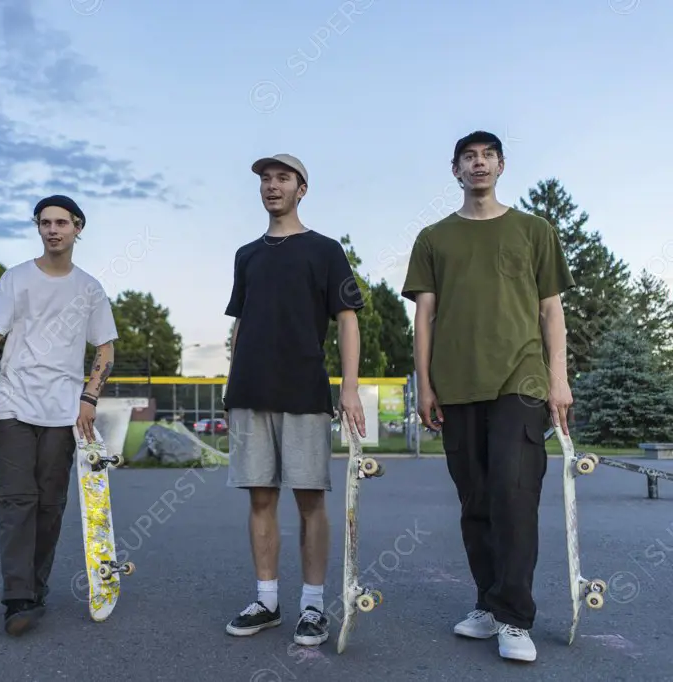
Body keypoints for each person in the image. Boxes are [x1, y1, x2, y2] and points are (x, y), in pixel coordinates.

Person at [401, 131, 575, 663]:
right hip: (456, 383)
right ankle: (488, 602)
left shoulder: (534, 230)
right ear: (455, 170)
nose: (478, 164)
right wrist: (425, 383)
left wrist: (558, 379)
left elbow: (551, 310)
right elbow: (424, 316)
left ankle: (515, 618)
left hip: (520, 380)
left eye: (487, 157)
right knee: (475, 498)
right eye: (468, 158)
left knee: (513, 492)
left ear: (501, 166)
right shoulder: (434, 238)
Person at [222, 153, 366, 647]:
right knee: (260, 497)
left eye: (282, 178)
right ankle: (266, 600)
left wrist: (348, 388)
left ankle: (311, 605)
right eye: (265, 178)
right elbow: (240, 324)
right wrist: (231, 382)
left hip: (305, 390)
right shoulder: (246, 254)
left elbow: (348, 319)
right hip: (250, 392)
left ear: (301, 189)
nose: (271, 185)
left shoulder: (326, 251)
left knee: (310, 499)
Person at [0, 194, 119, 636]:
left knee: (50, 506)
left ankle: (35, 588)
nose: (53, 230)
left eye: (61, 223)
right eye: (44, 223)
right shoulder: (14, 279)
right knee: (17, 501)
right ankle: (17, 597)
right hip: (13, 404)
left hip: (63, 412)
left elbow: (106, 349)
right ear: (37, 228)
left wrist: (89, 397)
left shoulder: (90, 288)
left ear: (78, 227)